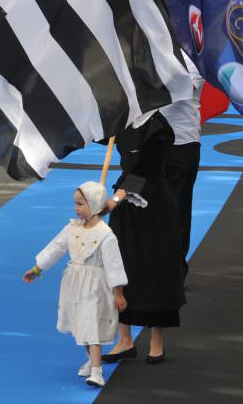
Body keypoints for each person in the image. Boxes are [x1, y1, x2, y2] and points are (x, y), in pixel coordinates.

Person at [22, 181, 128, 388]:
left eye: (80, 204)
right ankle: (91, 360)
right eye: (75, 203)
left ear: (95, 205)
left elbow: (115, 265)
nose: (75, 208)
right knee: (81, 324)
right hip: (75, 284)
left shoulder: (106, 235)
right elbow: (55, 249)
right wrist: (37, 269)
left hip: (96, 286)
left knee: (92, 325)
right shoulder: (71, 228)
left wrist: (119, 293)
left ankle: (97, 372)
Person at [102, 114, 185, 364]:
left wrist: (113, 201)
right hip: (125, 207)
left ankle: (156, 342)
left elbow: (146, 167)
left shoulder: (159, 127)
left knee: (155, 266)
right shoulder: (120, 123)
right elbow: (96, 134)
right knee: (121, 264)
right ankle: (124, 340)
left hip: (153, 203)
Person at [158, 52, 204, 278]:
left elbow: (180, 89)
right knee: (146, 207)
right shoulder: (148, 53)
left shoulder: (190, 59)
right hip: (150, 143)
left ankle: (175, 269)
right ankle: (149, 266)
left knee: (177, 208)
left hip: (182, 142)